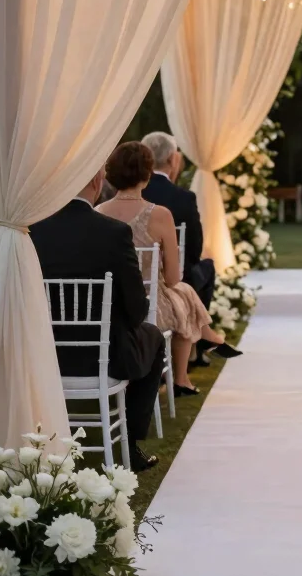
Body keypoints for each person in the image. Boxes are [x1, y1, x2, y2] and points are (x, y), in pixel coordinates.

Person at [31, 169, 163, 472]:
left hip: (42, 356)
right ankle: (129, 444)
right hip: (104, 360)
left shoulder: (32, 230)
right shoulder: (114, 232)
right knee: (153, 337)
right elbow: (135, 311)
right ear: (96, 181)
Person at [99, 142, 230, 396]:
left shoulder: (98, 212)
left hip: (108, 304)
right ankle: (182, 375)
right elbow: (172, 278)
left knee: (184, 297)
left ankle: (188, 369)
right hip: (149, 307)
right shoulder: (160, 215)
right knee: (182, 297)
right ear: (147, 175)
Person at [141, 131, 239, 363]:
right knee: (205, 267)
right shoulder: (183, 198)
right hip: (175, 280)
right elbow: (194, 249)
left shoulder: (127, 195)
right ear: (173, 159)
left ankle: (199, 341)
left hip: (134, 279)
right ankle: (197, 343)